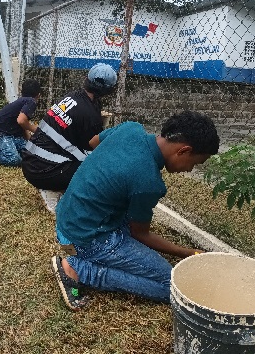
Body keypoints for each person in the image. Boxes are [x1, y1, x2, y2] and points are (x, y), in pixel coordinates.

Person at [50, 111, 220, 311]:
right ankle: (80, 270)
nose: (190, 169)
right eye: (195, 163)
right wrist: (186, 252)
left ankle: (82, 259)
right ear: (183, 150)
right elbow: (140, 234)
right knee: (172, 287)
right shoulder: (148, 181)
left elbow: (93, 142)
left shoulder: (129, 128)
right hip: (85, 241)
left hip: (64, 224)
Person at [20, 63, 117, 212]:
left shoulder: (71, 97)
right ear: (107, 90)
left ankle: (56, 185)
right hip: (43, 172)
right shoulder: (90, 114)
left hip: (29, 162)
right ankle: (52, 190)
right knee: (97, 167)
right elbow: (93, 147)